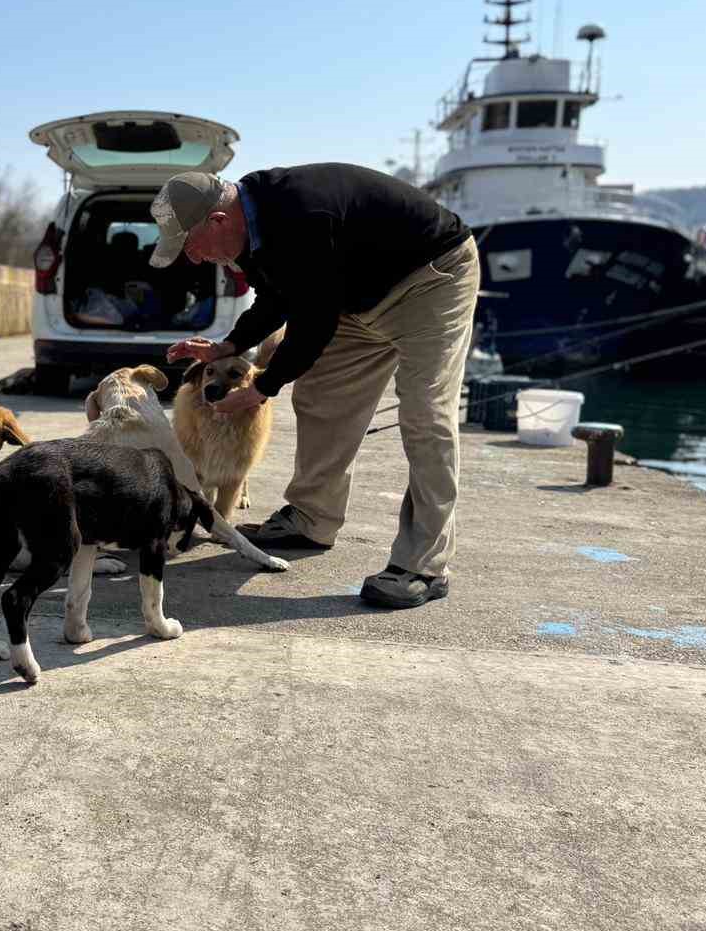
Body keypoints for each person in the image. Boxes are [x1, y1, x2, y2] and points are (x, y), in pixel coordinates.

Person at [153, 164, 478, 609]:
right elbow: (276, 298)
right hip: (357, 297)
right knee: (320, 396)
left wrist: (263, 387)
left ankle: (425, 564)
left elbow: (314, 320)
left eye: (192, 246)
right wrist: (228, 345)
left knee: (425, 415)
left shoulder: (301, 214)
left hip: (429, 280)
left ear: (217, 221)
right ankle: (312, 519)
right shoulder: (251, 229)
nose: (193, 258)